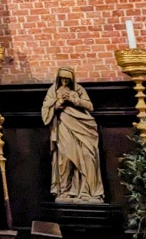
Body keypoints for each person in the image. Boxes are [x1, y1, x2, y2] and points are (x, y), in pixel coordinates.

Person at [41, 68, 105, 203]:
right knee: (65, 159)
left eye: (67, 79)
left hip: (83, 127)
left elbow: (90, 106)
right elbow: (46, 109)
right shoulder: (53, 90)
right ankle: (65, 191)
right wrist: (58, 103)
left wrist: (75, 100)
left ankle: (87, 191)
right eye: (62, 79)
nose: (64, 82)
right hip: (64, 126)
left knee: (87, 157)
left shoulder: (79, 89)